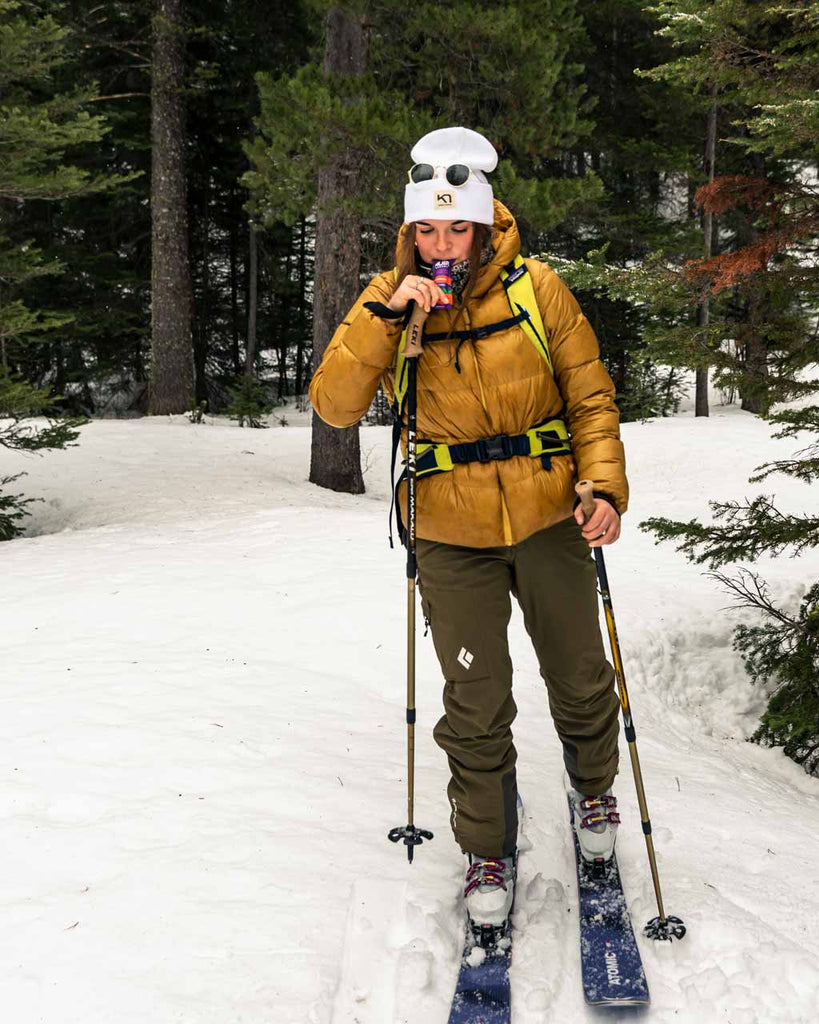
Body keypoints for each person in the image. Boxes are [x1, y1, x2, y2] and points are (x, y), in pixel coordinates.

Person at [309, 126, 627, 937]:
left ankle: (593, 795)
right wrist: (386, 317)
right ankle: (486, 847)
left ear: (483, 225)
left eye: (456, 228)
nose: (441, 244)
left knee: (580, 675)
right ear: (410, 230)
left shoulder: (537, 289)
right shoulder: (389, 296)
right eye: (426, 228)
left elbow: (589, 397)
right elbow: (335, 407)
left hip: (551, 513)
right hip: (449, 530)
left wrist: (605, 489)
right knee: (475, 699)